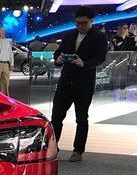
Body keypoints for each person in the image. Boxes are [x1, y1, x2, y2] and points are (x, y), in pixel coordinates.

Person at [51, 6, 107, 163]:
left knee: (81, 118)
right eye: (77, 23)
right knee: (56, 117)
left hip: (84, 84)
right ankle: (52, 147)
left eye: (83, 23)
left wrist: (84, 63)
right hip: (65, 83)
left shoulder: (99, 37)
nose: (80, 26)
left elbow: (100, 58)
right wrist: (58, 60)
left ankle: (78, 150)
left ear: (91, 21)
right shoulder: (69, 35)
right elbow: (58, 53)